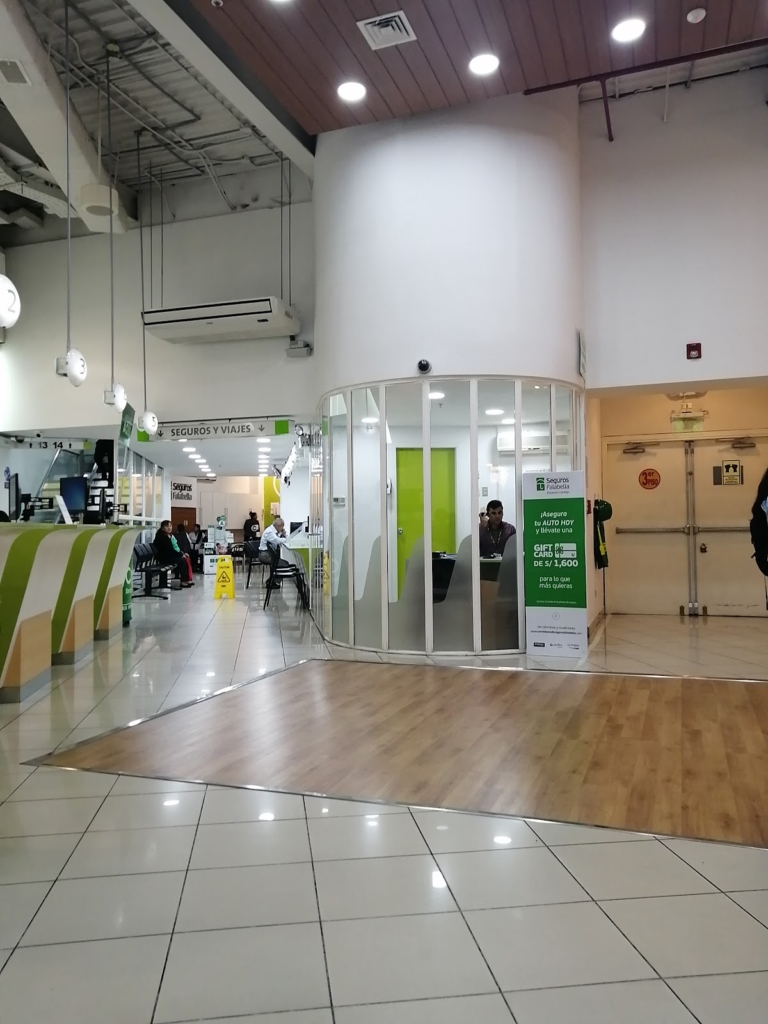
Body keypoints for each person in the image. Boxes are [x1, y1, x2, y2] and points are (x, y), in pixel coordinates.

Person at [154, 520, 194, 587]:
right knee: (182, 560)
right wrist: (181, 555)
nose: (169, 528)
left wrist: (182, 554)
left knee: (185, 559)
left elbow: (173, 548)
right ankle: (183, 581)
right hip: (164, 558)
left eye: (170, 526)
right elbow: (170, 550)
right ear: (162, 528)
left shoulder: (168, 535)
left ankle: (187, 579)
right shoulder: (162, 537)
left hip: (168, 556)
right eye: (167, 526)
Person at [259, 516, 289, 586]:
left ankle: (272, 580)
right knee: (283, 563)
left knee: (279, 562)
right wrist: (287, 539)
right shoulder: (269, 532)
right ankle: (274, 582)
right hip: (265, 555)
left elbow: (276, 538)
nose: (282, 529)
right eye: (282, 527)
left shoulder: (272, 531)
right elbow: (277, 541)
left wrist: (282, 534)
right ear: (278, 526)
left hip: (267, 554)